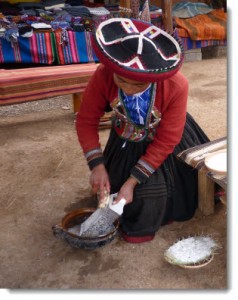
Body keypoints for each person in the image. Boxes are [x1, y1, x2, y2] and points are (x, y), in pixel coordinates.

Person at [75, 18, 209, 243]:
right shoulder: (104, 74)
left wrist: (133, 181)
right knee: (110, 193)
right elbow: (86, 121)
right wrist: (97, 165)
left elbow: (167, 140)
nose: (127, 88)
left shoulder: (177, 85)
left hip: (167, 141)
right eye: (121, 80)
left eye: (137, 85)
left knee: (143, 199)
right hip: (124, 137)